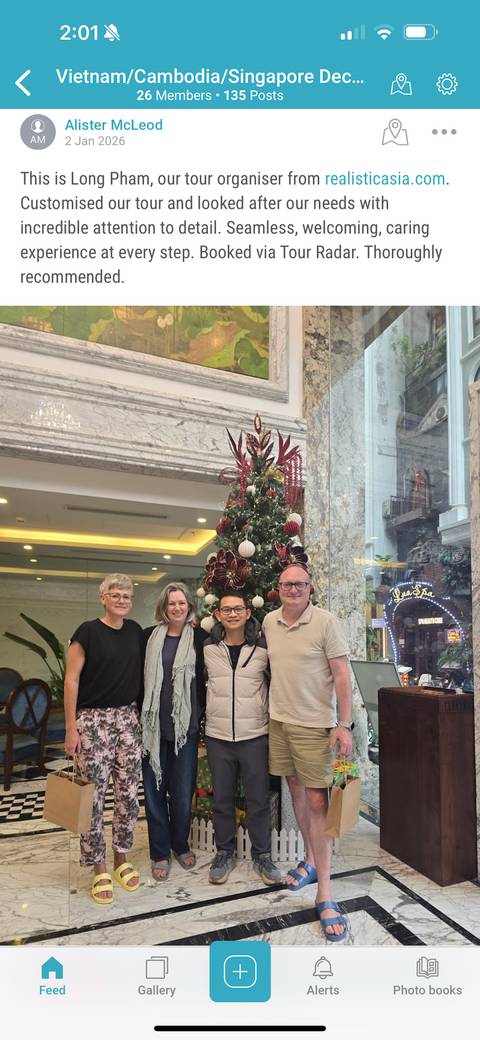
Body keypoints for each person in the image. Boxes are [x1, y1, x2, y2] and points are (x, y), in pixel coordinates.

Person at [263, 564, 353, 942]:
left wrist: (344, 724)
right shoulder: (269, 622)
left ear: (310, 587)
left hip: (316, 726)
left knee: (318, 802)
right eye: (287, 584)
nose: (294, 589)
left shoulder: (326, 622)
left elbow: (342, 675)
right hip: (279, 723)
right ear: (279, 588)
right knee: (296, 791)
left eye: (300, 584)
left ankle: (325, 894)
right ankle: (311, 860)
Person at [64, 573, 143, 905]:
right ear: (103, 598)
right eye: (115, 594)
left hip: (128, 719)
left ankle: (121, 858)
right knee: (93, 799)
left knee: (128, 794)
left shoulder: (136, 631)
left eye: (126, 595)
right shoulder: (87, 632)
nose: (121, 599)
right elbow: (71, 680)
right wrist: (71, 728)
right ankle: (98, 867)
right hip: (93, 721)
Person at [203, 591, 281, 886]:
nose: (232, 614)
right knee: (222, 799)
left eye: (238, 609)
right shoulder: (208, 647)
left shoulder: (262, 647)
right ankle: (224, 853)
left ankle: (262, 855)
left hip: (254, 736)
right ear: (218, 614)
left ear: (248, 613)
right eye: (226, 609)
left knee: (257, 799)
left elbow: (278, 684)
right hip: (218, 736)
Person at [141, 582, 205, 881]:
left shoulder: (200, 639)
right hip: (152, 728)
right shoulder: (147, 637)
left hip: (185, 730)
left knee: (181, 792)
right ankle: (160, 852)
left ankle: (180, 844)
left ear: (189, 606)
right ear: (163, 607)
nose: (177, 608)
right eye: (171, 603)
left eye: (181, 603)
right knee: (153, 793)